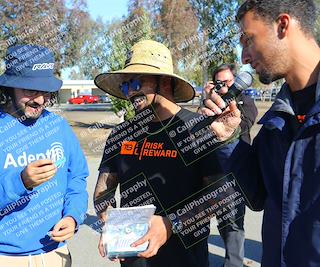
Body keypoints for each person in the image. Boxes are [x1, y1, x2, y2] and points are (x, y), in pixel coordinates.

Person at [93, 40, 238, 267]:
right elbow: (103, 192)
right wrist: (111, 225)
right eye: (125, 85)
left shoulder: (198, 129)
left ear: (166, 82)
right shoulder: (121, 134)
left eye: (137, 81)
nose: (130, 91)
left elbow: (218, 195)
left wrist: (171, 224)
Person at [201, 0, 320, 266]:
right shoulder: (276, 120)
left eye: (248, 39)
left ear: (282, 25)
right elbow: (256, 197)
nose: (243, 57)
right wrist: (228, 137)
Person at [0, 44, 88, 267]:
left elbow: (77, 178)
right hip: (2, 258)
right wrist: (20, 181)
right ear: (9, 87)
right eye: (30, 91)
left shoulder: (58, 127)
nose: (40, 100)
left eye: (44, 91)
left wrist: (73, 215)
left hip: (55, 255)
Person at [201, 64, 258, 267]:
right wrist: (205, 99)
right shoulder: (210, 104)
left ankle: (233, 263)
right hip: (213, 172)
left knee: (235, 220)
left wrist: (228, 109)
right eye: (219, 83)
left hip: (236, 170)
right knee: (222, 220)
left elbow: (247, 123)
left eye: (228, 82)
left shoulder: (246, 101)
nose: (224, 86)